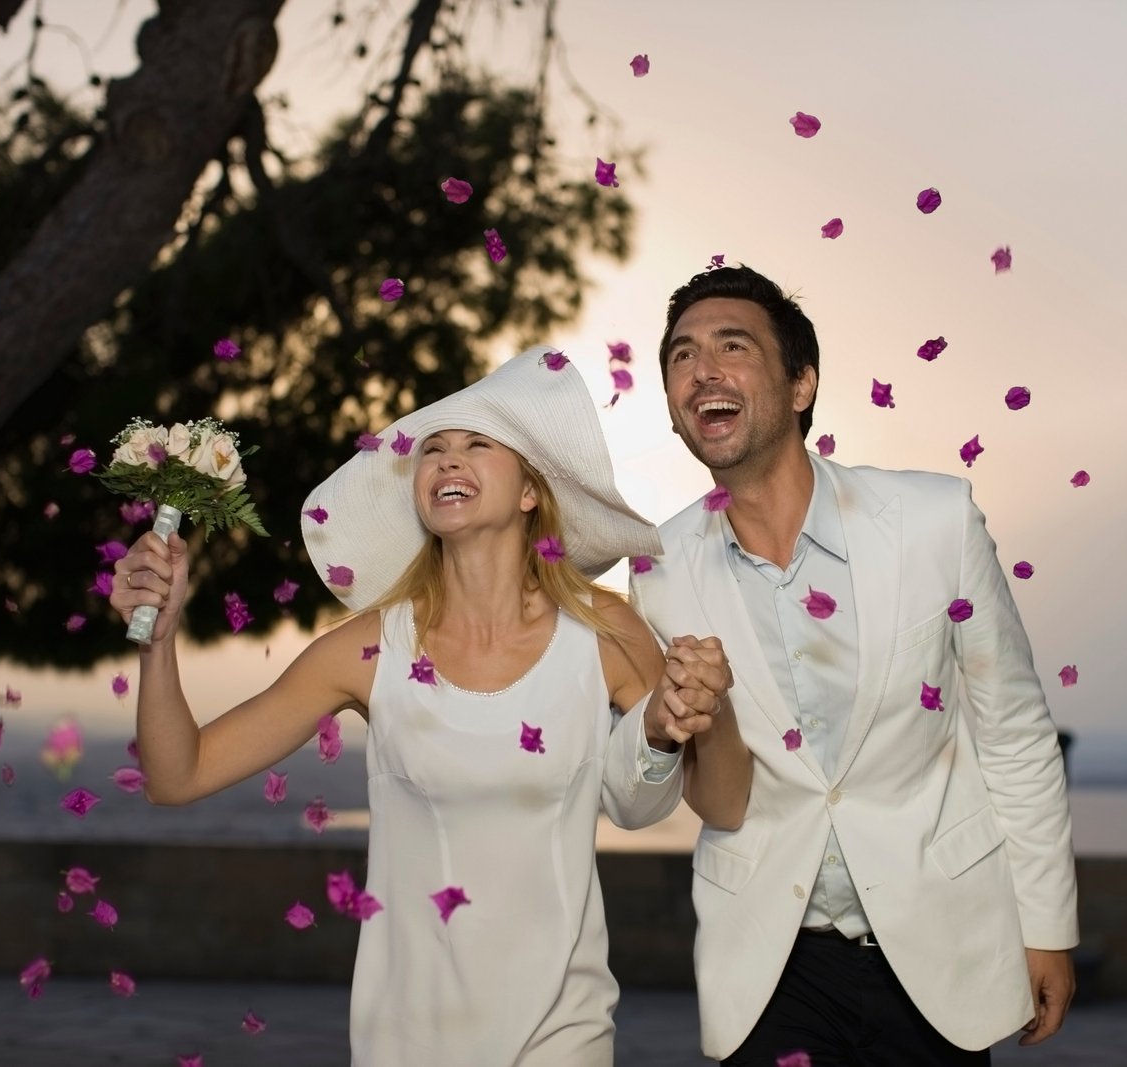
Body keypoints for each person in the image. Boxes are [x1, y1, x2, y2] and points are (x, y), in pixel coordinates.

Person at [109, 346, 743, 1066]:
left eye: (478, 443)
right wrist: (157, 643)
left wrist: (665, 727)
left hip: (562, 1032)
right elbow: (177, 774)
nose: (447, 459)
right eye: (433, 449)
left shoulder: (605, 631)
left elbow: (642, 801)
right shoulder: (364, 649)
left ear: (531, 490)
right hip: (405, 1040)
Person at [625, 267, 1079, 1065]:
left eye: (733, 346)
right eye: (681, 356)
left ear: (802, 383)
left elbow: (1013, 732)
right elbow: (676, 784)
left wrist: (1045, 925)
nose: (703, 370)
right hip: (772, 960)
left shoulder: (935, 520)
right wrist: (662, 731)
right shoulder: (659, 568)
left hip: (934, 947)